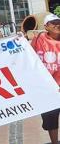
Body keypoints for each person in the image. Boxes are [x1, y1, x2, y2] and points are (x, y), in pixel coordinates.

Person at [31, 14, 60, 144]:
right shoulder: (39, 39)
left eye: (58, 22)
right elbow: (25, 52)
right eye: (53, 23)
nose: (57, 25)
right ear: (46, 26)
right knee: (51, 118)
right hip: (47, 87)